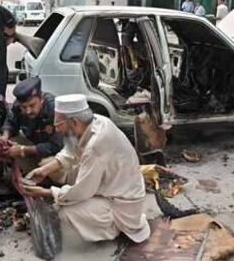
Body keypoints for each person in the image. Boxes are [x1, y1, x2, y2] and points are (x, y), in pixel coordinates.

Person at [23, 94, 150, 244]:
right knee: (69, 177)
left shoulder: (96, 146)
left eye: (59, 124)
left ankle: (113, 226)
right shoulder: (94, 121)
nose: (57, 129)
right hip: (119, 185)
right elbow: (71, 151)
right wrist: (45, 170)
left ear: (74, 122)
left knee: (67, 211)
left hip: (122, 203)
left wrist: (47, 192)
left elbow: (81, 191)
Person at [0, 77, 64, 174]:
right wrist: (5, 136)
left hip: (57, 153)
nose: (28, 111)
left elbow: (55, 146)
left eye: (32, 105)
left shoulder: (54, 110)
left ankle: (48, 183)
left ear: (41, 99)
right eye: (24, 107)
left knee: (45, 164)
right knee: (6, 144)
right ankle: (23, 172)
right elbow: (11, 122)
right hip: (33, 144)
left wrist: (23, 150)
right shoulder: (18, 106)